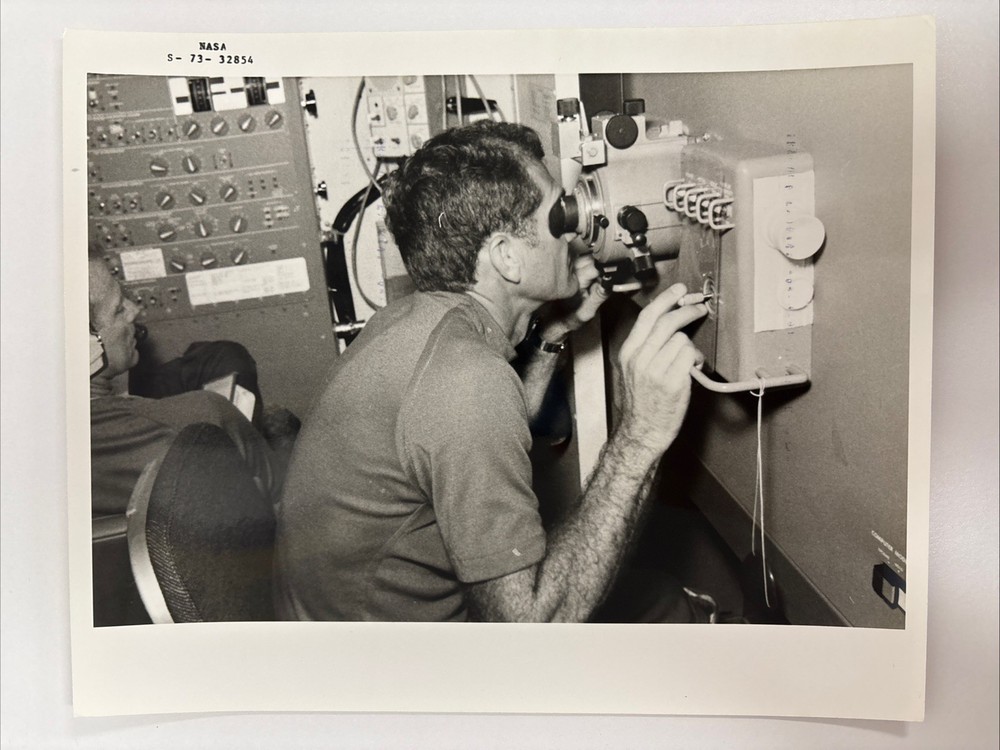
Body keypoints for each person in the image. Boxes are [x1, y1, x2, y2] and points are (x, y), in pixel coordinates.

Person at [273, 120, 707, 622]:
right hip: (390, 679)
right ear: (506, 257)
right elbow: (533, 629)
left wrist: (552, 334)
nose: (576, 230)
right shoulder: (466, 382)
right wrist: (640, 438)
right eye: (559, 216)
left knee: (656, 595)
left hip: (345, 639)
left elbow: (477, 437)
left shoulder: (416, 321)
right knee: (669, 608)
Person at [88, 256, 285, 515]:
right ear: (89, 345)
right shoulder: (202, 417)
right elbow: (285, 512)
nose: (133, 310)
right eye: (118, 310)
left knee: (221, 357)